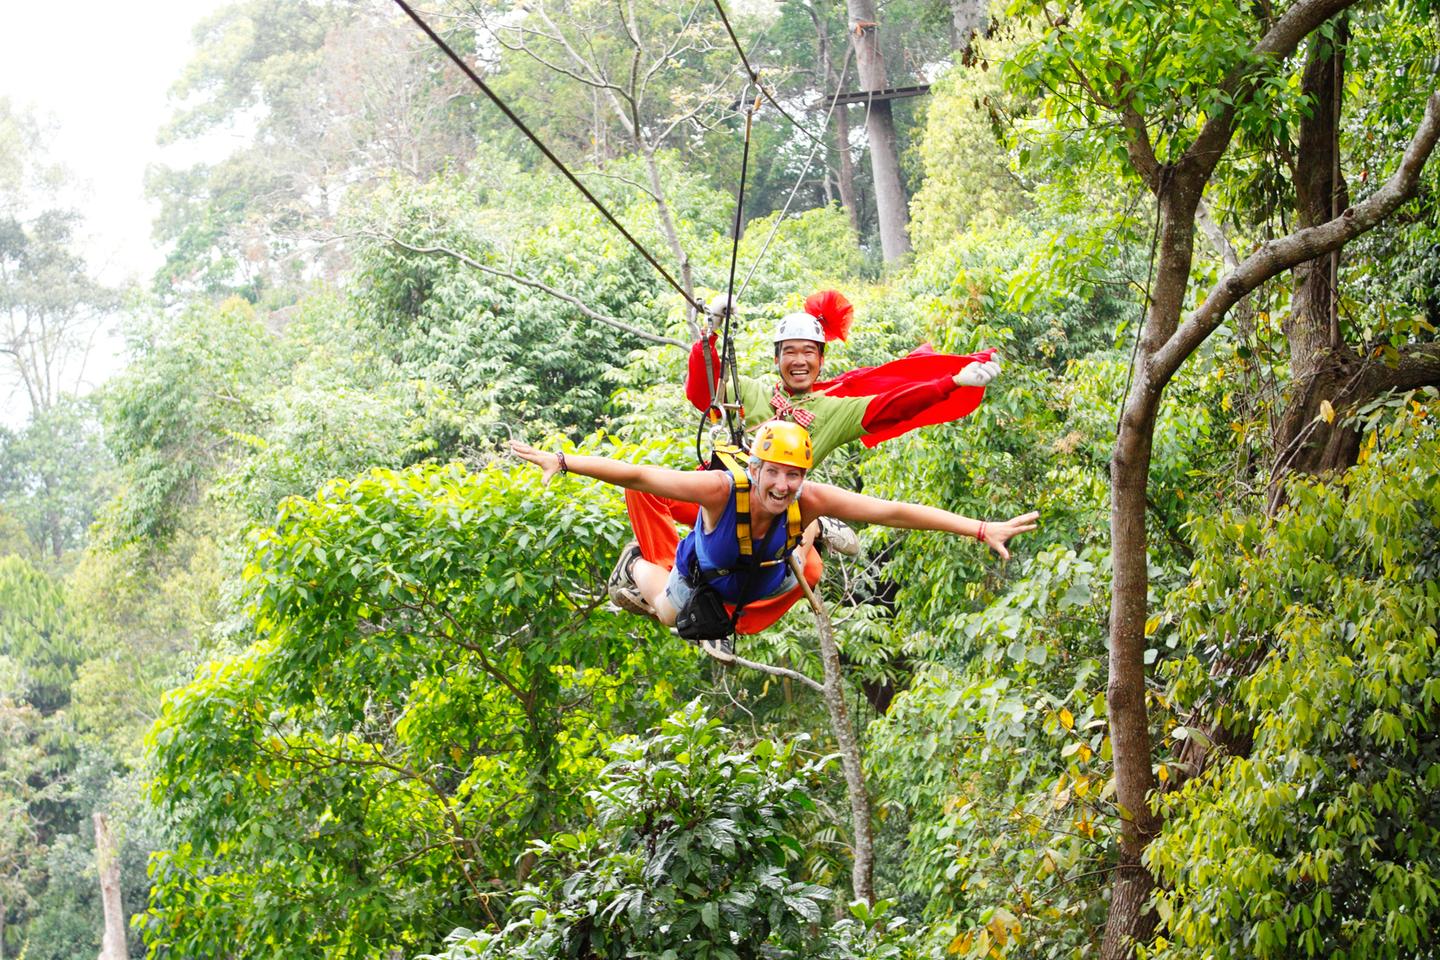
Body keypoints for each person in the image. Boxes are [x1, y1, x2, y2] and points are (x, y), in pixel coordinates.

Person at [622, 290, 1002, 623]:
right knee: (642, 490)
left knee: (812, 571)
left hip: (776, 510)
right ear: (777, 359)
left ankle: (807, 533)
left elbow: (892, 407)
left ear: (821, 361)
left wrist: (948, 384)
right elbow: (703, 390)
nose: (799, 360)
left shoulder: (833, 410)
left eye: (808, 352)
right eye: (790, 352)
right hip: (721, 501)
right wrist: (710, 336)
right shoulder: (751, 393)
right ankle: (669, 579)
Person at [511, 421, 1038, 649]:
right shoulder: (721, 489)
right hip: (708, 586)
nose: (783, 485)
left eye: (794, 476)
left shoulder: (805, 493)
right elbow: (639, 476)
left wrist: (979, 528)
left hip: (758, 588)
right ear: (756, 467)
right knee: (671, 613)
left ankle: (813, 535)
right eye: (774, 473)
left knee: (807, 570)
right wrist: (564, 460)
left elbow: (892, 510)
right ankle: (637, 570)